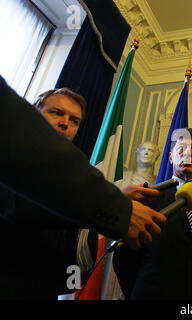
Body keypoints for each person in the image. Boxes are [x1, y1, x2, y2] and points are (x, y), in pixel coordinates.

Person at [0, 76, 166, 299]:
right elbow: (29, 207)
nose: (65, 123)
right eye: (56, 112)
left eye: (74, 120)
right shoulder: (14, 158)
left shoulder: (73, 175)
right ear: (33, 114)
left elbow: (71, 241)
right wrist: (118, 208)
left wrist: (72, 281)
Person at [114, 128, 192, 300]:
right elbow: (124, 258)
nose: (188, 154)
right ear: (170, 157)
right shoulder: (147, 198)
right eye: (182, 148)